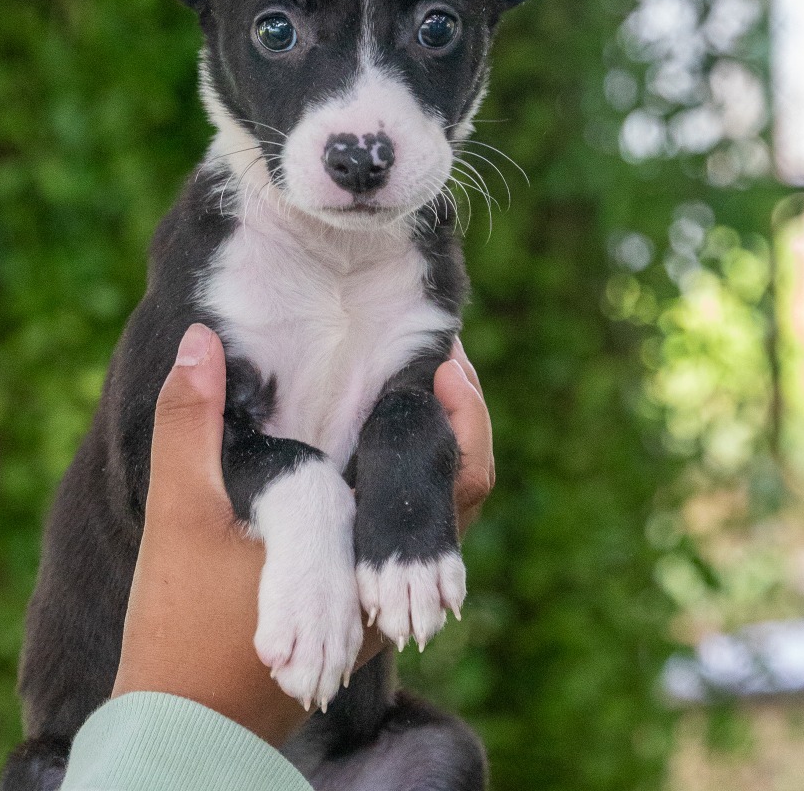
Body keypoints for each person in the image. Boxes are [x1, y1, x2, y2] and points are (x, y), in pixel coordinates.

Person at [60, 323, 494, 790]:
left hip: (341, 752)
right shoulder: (207, 323)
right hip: (107, 748)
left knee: (436, 755)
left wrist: (409, 487)